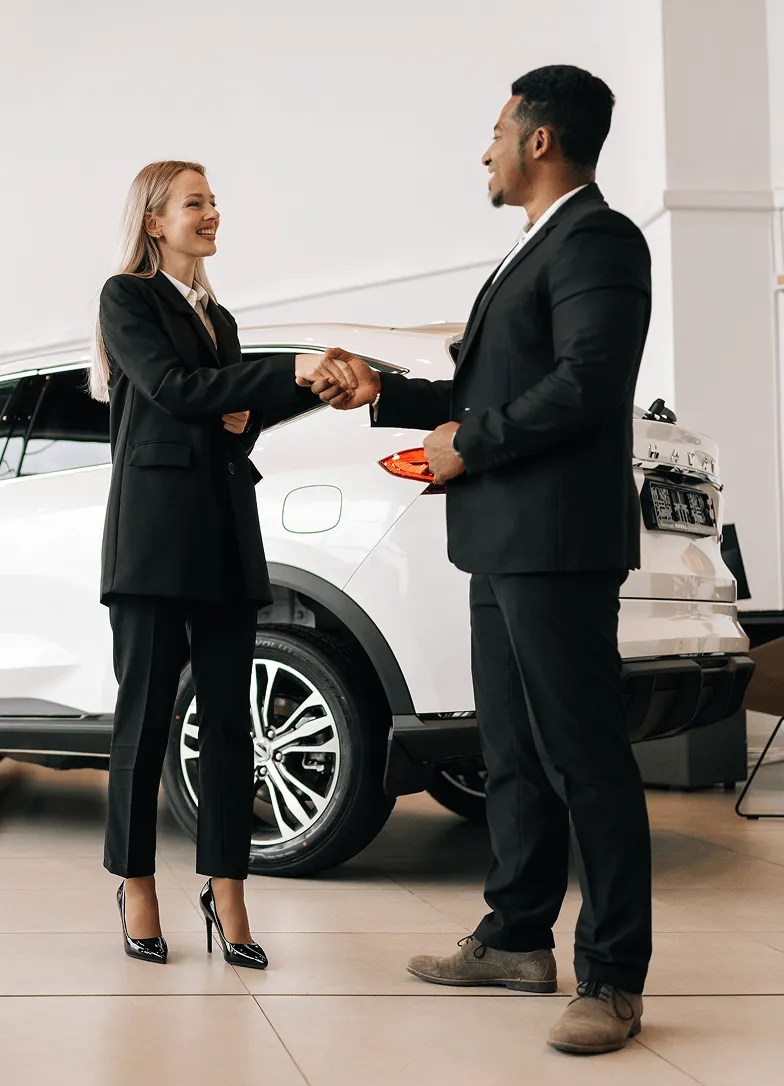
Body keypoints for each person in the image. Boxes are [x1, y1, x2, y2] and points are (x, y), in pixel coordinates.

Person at [302, 66, 653, 1055]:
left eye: (498, 128)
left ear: (541, 140)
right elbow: (498, 384)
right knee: (512, 753)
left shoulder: (598, 237)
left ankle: (614, 978)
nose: (486, 147)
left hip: (555, 546)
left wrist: (472, 441)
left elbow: (588, 383)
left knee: (582, 755)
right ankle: (514, 937)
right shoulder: (532, 250)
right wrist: (390, 396)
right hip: (499, 542)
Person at [92, 160, 354, 967]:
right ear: (154, 221)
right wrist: (248, 385)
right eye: (194, 202)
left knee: (230, 725)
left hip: (225, 535)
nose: (211, 213)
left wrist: (317, 387)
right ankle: (137, 883)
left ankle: (226, 889)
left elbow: (233, 418)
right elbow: (175, 390)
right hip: (154, 540)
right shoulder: (126, 297)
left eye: (213, 201)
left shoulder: (222, 318)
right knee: (142, 722)